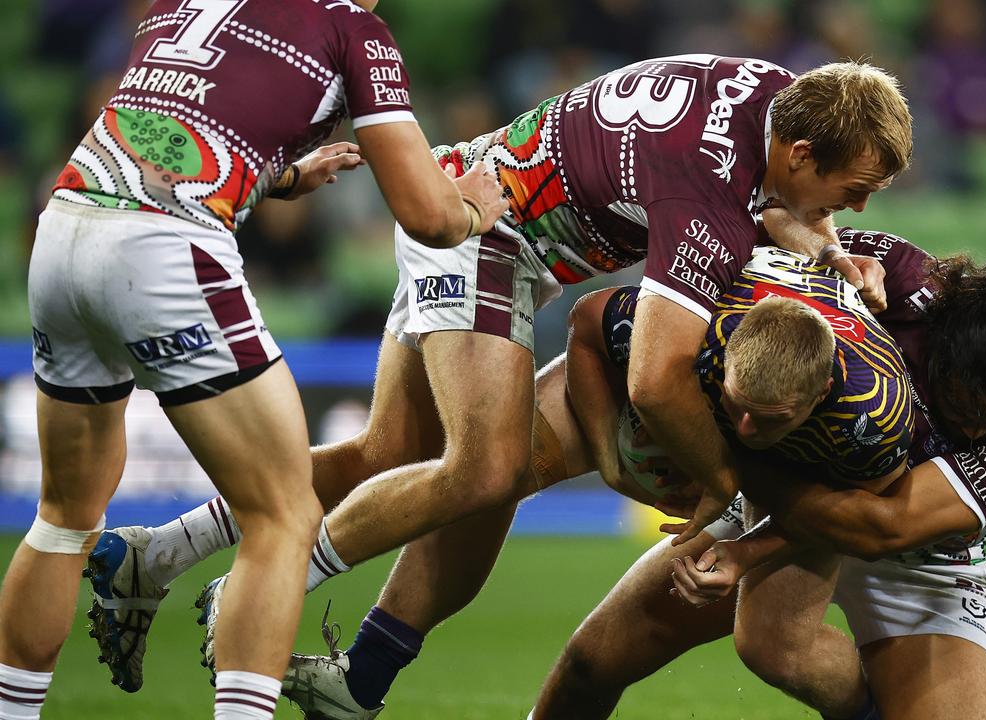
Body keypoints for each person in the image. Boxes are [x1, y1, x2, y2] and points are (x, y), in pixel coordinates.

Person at [87, 54, 914, 697]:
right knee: (487, 466)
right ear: (800, 151)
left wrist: (834, 252)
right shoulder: (704, 190)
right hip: (487, 234)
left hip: (470, 200)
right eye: (856, 188)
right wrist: (723, 487)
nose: (861, 206)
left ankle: (152, 556)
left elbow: (783, 200)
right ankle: (260, 590)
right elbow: (657, 381)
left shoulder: (776, 94)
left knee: (388, 454)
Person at [1, 0, 508, 718]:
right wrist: (471, 208)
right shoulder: (353, 30)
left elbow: (172, 129)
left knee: (62, 515)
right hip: (165, 248)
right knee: (281, 514)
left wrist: (279, 176)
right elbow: (426, 213)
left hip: (65, 229)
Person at [279, 240, 912, 718]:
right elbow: (588, 323)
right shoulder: (695, 334)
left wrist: (746, 552)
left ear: (823, 392)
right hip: (694, 415)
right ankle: (362, 674)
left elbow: (859, 516)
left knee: (776, 649)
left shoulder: (873, 421)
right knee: (490, 477)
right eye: (735, 404)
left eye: (766, 420)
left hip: (794, 493)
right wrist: (613, 456)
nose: (745, 426)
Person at [531, 232, 986, 720]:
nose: (971, 433)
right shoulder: (892, 275)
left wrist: (721, 465)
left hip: (924, 558)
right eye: (961, 411)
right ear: (938, 348)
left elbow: (881, 527)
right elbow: (762, 235)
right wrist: (824, 252)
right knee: (594, 660)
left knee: (776, 640)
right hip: (801, 486)